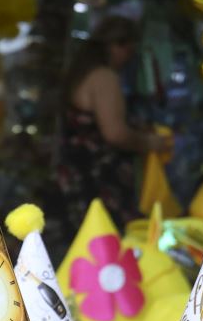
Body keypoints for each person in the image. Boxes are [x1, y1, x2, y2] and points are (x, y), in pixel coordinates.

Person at [56, 15, 169, 232]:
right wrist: (150, 142)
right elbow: (115, 133)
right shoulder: (104, 77)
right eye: (129, 49)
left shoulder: (81, 74)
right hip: (98, 178)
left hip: (77, 173)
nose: (130, 57)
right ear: (116, 46)